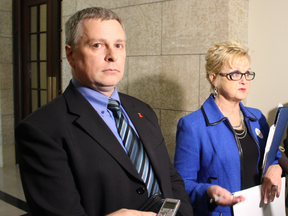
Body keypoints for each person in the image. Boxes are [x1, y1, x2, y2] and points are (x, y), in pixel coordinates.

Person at [15, 7, 193, 216]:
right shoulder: (41, 130)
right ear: (70, 54)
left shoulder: (142, 110)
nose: (112, 56)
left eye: (119, 45)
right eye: (97, 45)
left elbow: (169, 176)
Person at [173, 41, 283, 216]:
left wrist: (276, 168)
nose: (244, 81)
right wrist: (208, 191)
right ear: (214, 78)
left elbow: (274, 158)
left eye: (247, 74)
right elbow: (181, 184)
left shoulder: (257, 118)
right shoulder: (193, 126)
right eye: (235, 74)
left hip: (260, 210)